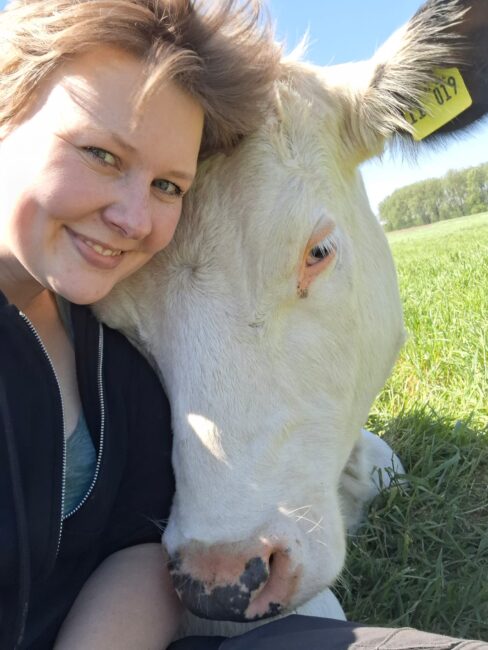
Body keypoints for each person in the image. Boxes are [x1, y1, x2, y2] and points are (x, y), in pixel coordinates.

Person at [0, 1, 280, 648]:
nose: (135, 219)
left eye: (168, 186)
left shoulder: (113, 335)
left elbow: (139, 537)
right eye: (101, 153)